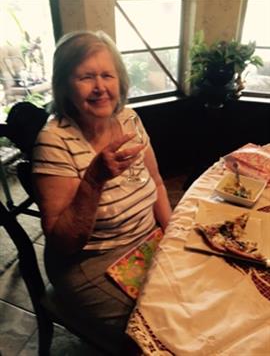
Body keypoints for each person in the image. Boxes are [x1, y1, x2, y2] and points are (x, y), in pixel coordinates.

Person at [32, 30, 172, 355]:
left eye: (107, 75)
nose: (100, 87)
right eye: (85, 77)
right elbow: (63, 243)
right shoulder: (54, 142)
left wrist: (172, 236)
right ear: (65, 85)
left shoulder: (129, 119)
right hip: (89, 263)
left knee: (192, 299)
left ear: (120, 80)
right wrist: (94, 179)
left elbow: (159, 183)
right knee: (156, 334)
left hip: (145, 238)